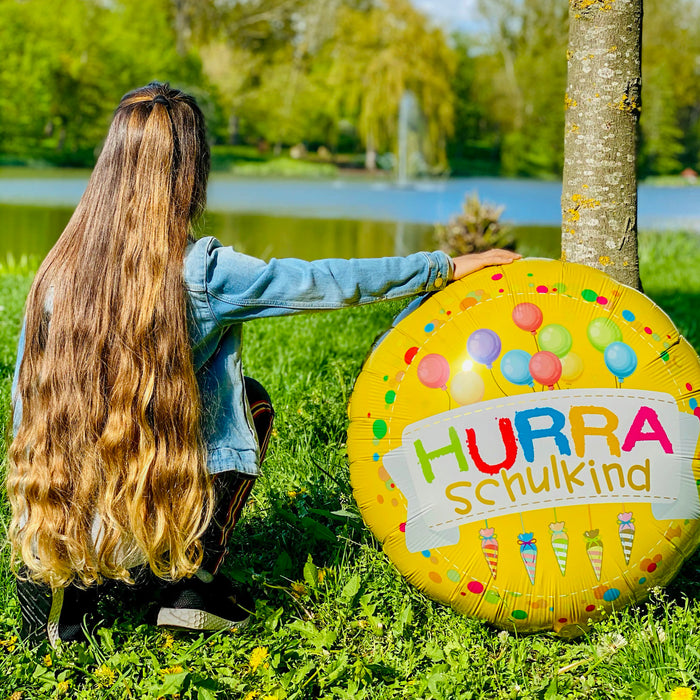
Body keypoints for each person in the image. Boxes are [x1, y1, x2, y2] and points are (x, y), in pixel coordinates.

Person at [6, 82, 520, 647]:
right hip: (150, 514)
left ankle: (59, 600)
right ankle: (191, 585)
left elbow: (25, 403)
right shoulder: (203, 271)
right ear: (188, 173)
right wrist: (442, 266)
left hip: (56, 517)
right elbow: (326, 281)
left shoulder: (55, 271)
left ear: (109, 165)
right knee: (250, 403)